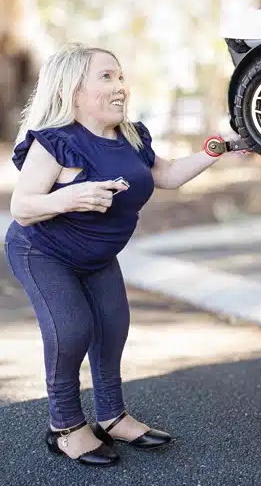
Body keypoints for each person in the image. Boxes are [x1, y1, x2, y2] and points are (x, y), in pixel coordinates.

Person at [3, 42, 248, 467]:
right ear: (72, 91)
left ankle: (111, 417)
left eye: (120, 76)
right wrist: (71, 197)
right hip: (42, 251)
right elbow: (22, 208)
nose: (120, 87)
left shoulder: (130, 136)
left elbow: (168, 175)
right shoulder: (55, 143)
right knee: (73, 329)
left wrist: (221, 146)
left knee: (113, 328)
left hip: (97, 256)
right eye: (106, 77)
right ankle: (64, 426)